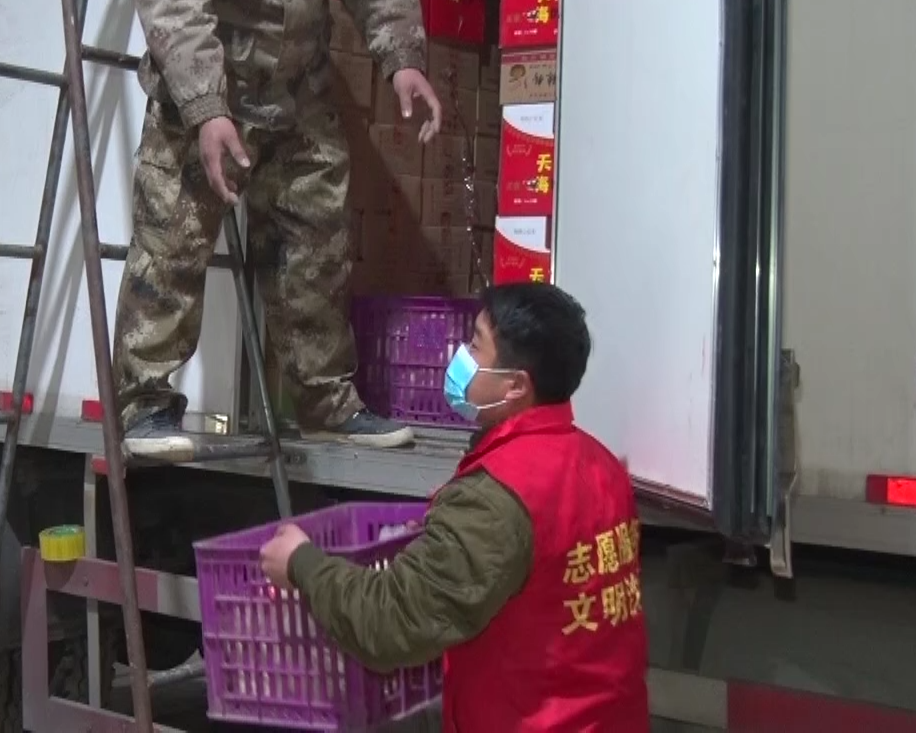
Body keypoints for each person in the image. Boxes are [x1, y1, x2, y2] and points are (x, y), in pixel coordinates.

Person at [116, 0, 441, 459]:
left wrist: (402, 57)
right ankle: (144, 405)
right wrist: (206, 109)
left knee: (318, 249)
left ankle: (324, 403)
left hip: (299, 91)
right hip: (204, 97)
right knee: (171, 248)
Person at [258, 283, 651, 730]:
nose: (459, 355)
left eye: (475, 345)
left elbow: (390, 624)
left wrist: (301, 563)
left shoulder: (497, 495)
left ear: (516, 385)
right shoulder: (601, 464)